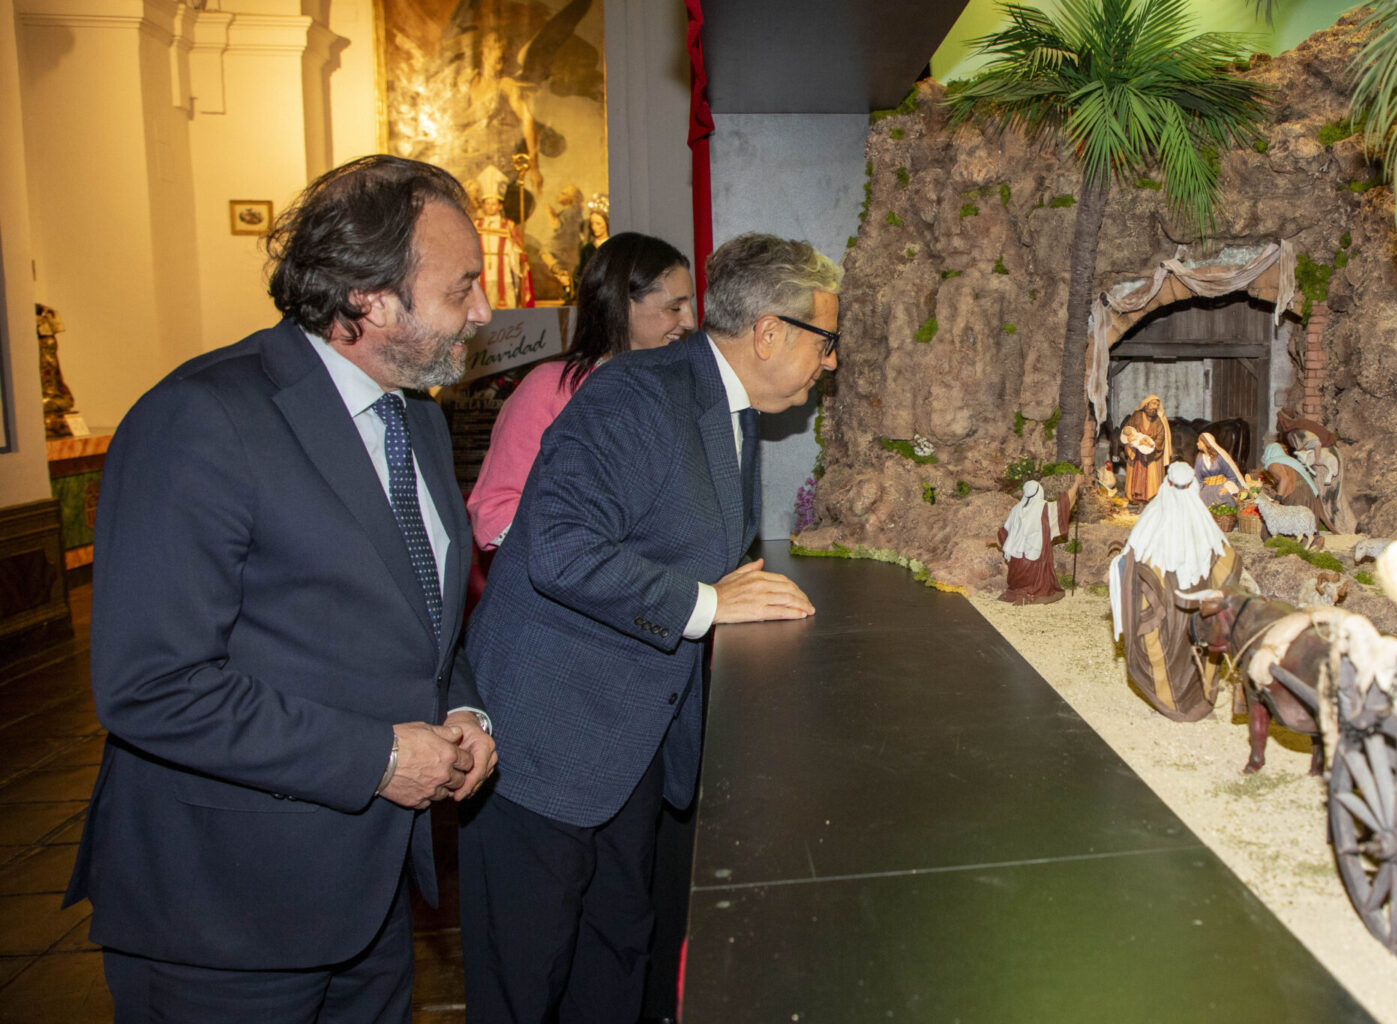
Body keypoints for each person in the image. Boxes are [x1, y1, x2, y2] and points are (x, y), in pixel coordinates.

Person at [65, 155, 499, 1022]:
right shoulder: (201, 418)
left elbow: (416, 611)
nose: (484, 312)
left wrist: (463, 708)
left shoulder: (413, 413)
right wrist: (379, 759)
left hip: (370, 896)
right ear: (369, 300)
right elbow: (151, 684)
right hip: (224, 916)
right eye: (463, 288)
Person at [459, 233, 838, 1022]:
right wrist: (706, 605)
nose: (830, 363)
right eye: (825, 341)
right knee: (526, 980)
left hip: (628, 741)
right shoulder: (638, 394)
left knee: (614, 961)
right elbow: (559, 548)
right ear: (769, 333)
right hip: (546, 741)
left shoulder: (724, 405)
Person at [468, 233, 697, 549]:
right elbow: (494, 514)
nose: (689, 321)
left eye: (690, 304)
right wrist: (587, 553)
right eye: (675, 307)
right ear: (623, 305)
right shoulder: (550, 389)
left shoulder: (681, 390)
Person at [1108, 461, 1242, 720]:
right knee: (1195, 650)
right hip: (1194, 598)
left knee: (1168, 651)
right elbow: (1225, 557)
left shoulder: (1154, 514)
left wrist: (1117, 569)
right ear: (1193, 486)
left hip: (1164, 599)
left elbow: (1132, 552)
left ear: (1166, 483)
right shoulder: (1201, 516)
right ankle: (1195, 701)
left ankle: (1171, 701)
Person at [998, 478, 1079, 604]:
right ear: (1039, 491)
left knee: (1018, 576)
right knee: (1038, 577)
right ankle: (1030, 593)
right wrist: (1076, 484)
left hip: (1017, 561)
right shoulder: (1044, 507)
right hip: (1036, 556)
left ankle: (1019, 592)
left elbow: (1004, 532)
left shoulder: (1016, 509)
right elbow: (1063, 505)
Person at [475, 165, 533, 309]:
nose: (490, 207)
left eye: (494, 204)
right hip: (481, 268)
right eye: (487, 204)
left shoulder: (508, 225)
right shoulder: (476, 224)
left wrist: (519, 255)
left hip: (502, 267)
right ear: (483, 205)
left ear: (500, 206)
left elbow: (516, 246)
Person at [1121, 394, 1172, 505]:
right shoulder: (1137, 416)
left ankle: (1150, 500)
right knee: (1136, 478)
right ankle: (1137, 499)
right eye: (1153, 404)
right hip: (1136, 453)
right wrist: (1134, 439)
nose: (1155, 407)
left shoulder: (1159, 421)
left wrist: (1151, 445)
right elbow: (1128, 429)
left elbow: (1161, 437)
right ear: (1146, 404)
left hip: (1151, 455)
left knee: (1151, 480)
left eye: (1157, 405)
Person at [1194, 431, 1249, 508]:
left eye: (1199, 441)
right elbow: (1198, 478)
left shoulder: (1220, 458)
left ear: (1205, 443)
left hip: (1220, 488)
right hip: (1206, 490)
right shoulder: (1199, 459)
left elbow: (1231, 476)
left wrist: (1227, 488)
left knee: (1226, 498)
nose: (1197, 443)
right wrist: (1198, 491)